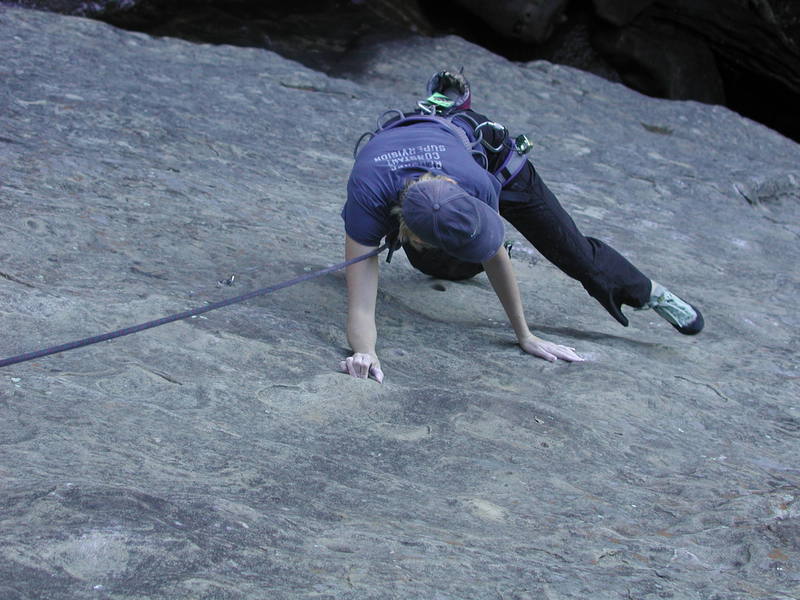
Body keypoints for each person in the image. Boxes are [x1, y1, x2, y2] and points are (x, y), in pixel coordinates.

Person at [340, 70, 703, 383]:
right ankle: (442, 252)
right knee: (435, 265)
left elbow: (492, 252)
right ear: (409, 234)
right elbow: (360, 305)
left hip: (496, 165)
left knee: (571, 249)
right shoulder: (368, 195)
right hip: (414, 188)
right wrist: (365, 352)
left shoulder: (475, 182)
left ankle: (650, 293)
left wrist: (525, 335)